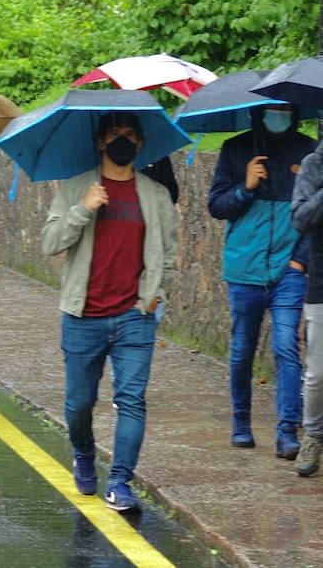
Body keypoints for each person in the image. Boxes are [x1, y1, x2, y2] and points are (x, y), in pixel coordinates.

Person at [40, 112, 176, 512]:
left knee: (132, 400)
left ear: (140, 144)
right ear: (100, 142)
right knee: (79, 404)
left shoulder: (155, 194)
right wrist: (84, 208)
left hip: (135, 315)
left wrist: (153, 297)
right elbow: (50, 242)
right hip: (83, 317)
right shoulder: (76, 188)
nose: (123, 141)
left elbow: (167, 253)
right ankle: (83, 452)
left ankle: (120, 481)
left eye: (130, 135)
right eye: (115, 134)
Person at [208, 104, 314, 457]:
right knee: (242, 350)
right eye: (272, 109)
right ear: (258, 111)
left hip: (288, 270)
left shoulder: (309, 151)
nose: (279, 115)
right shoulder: (235, 149)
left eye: (286, 110)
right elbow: (217, 206)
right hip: (244, 270)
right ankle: (241, 422)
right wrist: (246, 186)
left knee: (286, 346)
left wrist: (299, 260)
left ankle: (288, 430)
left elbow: (314, 213)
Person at [290, 140, 323, 476]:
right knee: (317, 372)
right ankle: (313, 434)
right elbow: (300, 218)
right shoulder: (314, 165)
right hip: (321, 286)